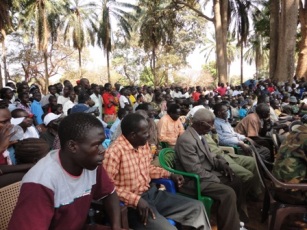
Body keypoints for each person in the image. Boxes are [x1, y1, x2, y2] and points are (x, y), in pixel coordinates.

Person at [9, 113, 122, 230]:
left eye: (102, 143)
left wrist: (116, 227)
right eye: (96, 145)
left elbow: (109, 193)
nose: (103, 150)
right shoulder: (41, 182)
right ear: (73, 146)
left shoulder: (90, 164)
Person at [103, 113, 210, 230]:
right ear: (133, 135)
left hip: (151, 194)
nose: (149, 136)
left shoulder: (142, 145)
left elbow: (147, 168)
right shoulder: (114, 153)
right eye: (145, 133)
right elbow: (108, 189)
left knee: (196, 208)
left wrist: (170, 174)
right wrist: (135, 200)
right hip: (131, 206)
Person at [175, 108, 244, 230]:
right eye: (211, 124)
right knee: (228, 193)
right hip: (193, 181)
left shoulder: (200, 135)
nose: (212, 127)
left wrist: (222, 164)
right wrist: (217, 178)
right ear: (201, 124)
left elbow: (210, 156)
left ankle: (235, 221)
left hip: (205, 175)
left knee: (237, 181)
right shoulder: (187, 140)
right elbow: (194, 170)